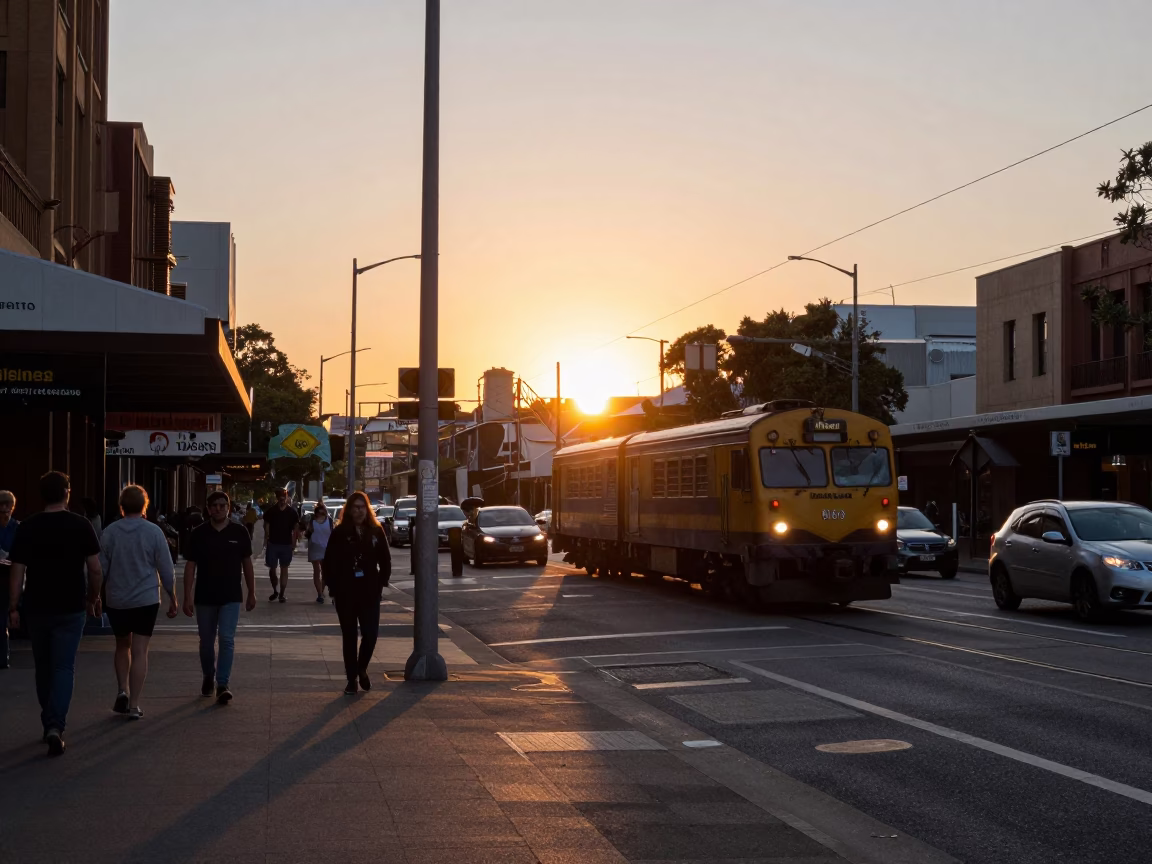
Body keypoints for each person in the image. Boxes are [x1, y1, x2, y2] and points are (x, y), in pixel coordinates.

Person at [7, 472, 102, 756]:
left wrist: (13, 606)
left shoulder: (28, 526)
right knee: (64, 667)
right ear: (67, 493)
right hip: (71, 605)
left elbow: (17, 571)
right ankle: (55, 725)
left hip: (37, 606)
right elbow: (95, 569)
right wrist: (93, 598)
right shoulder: (81, 525)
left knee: (43, 665)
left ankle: (48, 717)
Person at [99, 485, 178, 719]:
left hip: (118, 599)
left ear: (121, 506)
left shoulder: (110, 532)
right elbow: (166, 568)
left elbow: (100, 569)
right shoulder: (153, 532)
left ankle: (122, 689)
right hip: (146, 599)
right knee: (141, 650)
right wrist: (172, 596)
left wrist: (94, 595)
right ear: (145, 505)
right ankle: (134, 704)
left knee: (122, 645)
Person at [183, 490, 256, 704]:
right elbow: (190, 565)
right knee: (206, 642)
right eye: (215, 505)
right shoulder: (198, 533)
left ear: (229, 507)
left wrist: (252, 592)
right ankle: (208, 674)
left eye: (223, 505)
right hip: (205, 595)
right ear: (208, 508)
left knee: (226, 639)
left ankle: (222, 683)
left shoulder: (239, 532)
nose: (219, 508)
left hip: (231, 595)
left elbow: (247, 564)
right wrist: (186, 595)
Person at [323, 492, 390, 695]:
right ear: (349, 510)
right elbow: (329, 562)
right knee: (349, 636)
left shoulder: (376, 531)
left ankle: (362, 667)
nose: (359, 511)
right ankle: (351, 678)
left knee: (370, 634)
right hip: (346, 592)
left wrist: (381, 583)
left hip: (369, 591)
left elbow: (385, 560)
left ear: (367, 509)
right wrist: (333, 588)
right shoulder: (340, 532)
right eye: (355, 507)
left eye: (362, 507)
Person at [262, 489, 301, 603]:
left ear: (287, 497)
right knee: (272, 569)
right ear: (277, 498)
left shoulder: (292, 512)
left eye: (284, 497)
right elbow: (266, 525)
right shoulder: (271, 511)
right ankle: (275, 590)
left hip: (286, 545)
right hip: (273, 544)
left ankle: (282, 593)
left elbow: (295, 528)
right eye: (280, 497)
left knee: (284, 568)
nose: (282, 499)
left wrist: (294, 541)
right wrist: (267, 539)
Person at [0, 490, 19, 669]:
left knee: (3, 615)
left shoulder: (18, 527)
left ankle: (2, 655)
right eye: (1, 505)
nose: (5, 508)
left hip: (10, 576)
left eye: (8, 505)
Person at [305, 502, 334, 604]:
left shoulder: (329, 521)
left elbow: (333, 534)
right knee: (317, 570)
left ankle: (321, 591)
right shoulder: (312, 521)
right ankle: (319, 594)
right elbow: (307, 534)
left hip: (327, 549)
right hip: (315, 548)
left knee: (325, 572)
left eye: (323, 513)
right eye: (319, 513)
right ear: (316, 513)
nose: (321, 515)